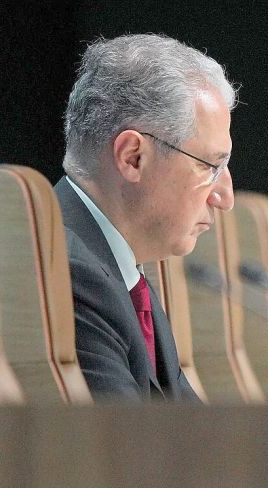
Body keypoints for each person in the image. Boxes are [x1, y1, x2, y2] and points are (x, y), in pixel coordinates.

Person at [55, 34, 236, 400]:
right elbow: (137, 449)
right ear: (133, 157)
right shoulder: (74, 275)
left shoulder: (119, 270)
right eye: (210, 166)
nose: (225, 198)